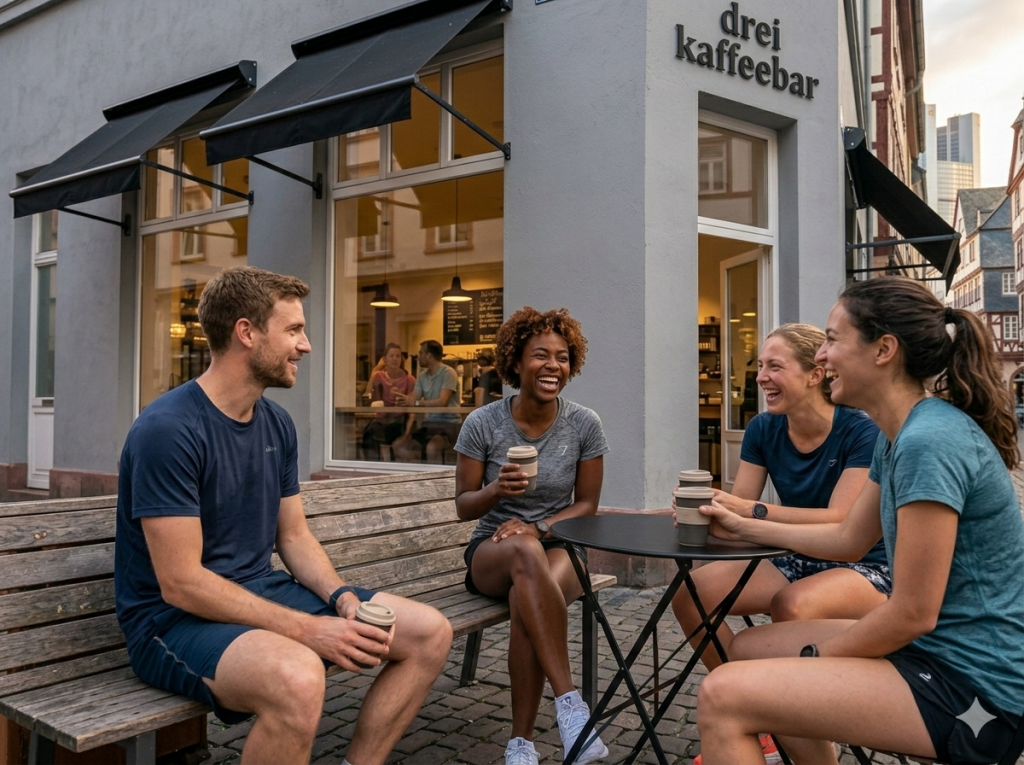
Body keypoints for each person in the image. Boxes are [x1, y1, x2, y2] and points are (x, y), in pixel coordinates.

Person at [114, 266, 453, 765]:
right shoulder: (167, 429)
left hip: (259, 592)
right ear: (246, 333)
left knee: (428, 633)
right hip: (171, 623)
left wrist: (338, 598)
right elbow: (181, 583)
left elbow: (293, 537)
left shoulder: (276, 423)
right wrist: (309, 631)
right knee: (298, 675)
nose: (306, 345)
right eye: (293, 330)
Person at [694, 276, 1024, 765]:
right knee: (746, 651)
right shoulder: (899, 435)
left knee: (722, 695)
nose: (822, 356)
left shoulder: (928, 442)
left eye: (831, 338)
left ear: (883, 350)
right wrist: (745, 525)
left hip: (976, 688)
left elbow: (913, 612)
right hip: (933, 652)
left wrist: (817, 663)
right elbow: (849, 538)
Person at [674, 324, 889, 763]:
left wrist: (745, 512)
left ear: (814, 375)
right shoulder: (762, 428)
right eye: (759, 367)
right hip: (795, 553)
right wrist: (702, 510)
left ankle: (805, 737)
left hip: (868, 565)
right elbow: (742, 510)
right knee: (690, 595)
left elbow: (841, 520)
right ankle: (757, 710)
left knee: (792, 606)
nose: (760, 377)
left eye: (775, 366)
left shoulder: (860, 432)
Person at [454, 307, 610, 765]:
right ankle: (572, 709)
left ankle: (520, 743)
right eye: (540, 355)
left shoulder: (584, 424)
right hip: (493, 551)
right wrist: (495, 490)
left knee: (529, 595)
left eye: (562, 358)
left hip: (559, 546)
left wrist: (540, 527)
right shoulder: (483, 423)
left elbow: (587, 506)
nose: (552, 366)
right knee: (523, 553)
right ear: (516, 362)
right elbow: (463, 506)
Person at [394, 339, 461, 463]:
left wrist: (417, 403)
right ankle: (416, 477)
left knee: (432, 447)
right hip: (429, 424)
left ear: (429, 356)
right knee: (400, 447)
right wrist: (405, 399)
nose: (418, 357)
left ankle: (436, 481)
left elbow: (442, 402)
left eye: (420, 353)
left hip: (449, 424)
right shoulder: (422, 376)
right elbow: (415, 397)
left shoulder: (448, 373)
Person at [361, 343, 416, 460]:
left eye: (398, 356)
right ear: (384, 359)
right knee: (369, 432)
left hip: (399, 421)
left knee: (377, 430)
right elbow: (367, 396)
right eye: (391, 356)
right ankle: (372, 466)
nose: (395, 359)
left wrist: (407, 434)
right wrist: (376, 368)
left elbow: (413, 408)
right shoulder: (378, 376)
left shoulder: (409, 379)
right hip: (381, 420)